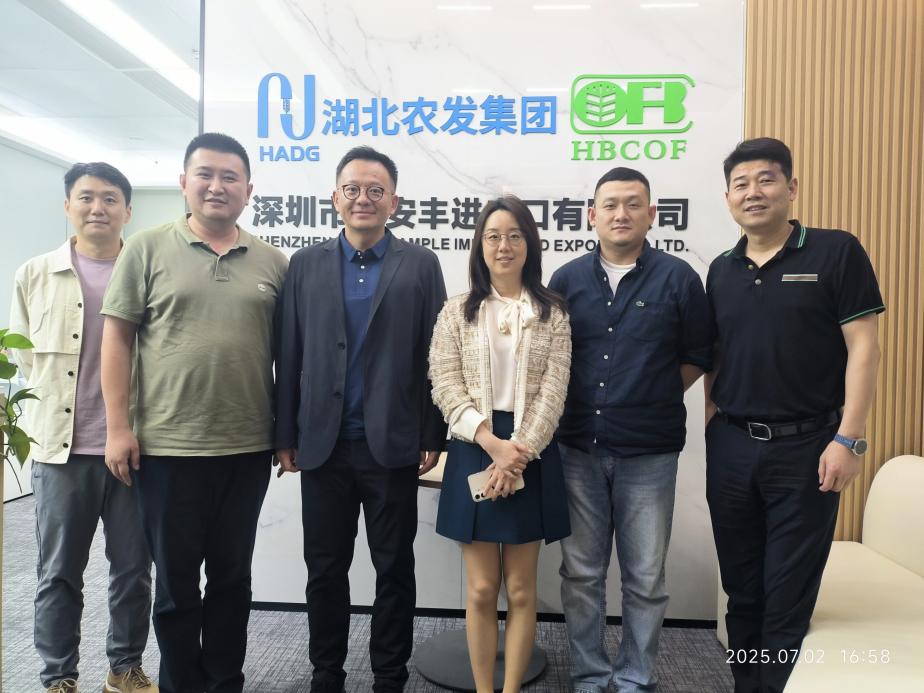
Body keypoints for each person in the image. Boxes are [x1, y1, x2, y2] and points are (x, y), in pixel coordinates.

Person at [100, 132, 288, 693]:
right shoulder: (146, 249)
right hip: (167, 449)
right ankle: (180, 684)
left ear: (249, 190)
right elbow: (117, 340)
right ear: (184, 182)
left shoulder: (273, 262)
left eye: (230, 177)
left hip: (246, 448)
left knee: (233, 579)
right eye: (205, 174)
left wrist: (287, 432)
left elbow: (289, 357)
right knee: (176, 586)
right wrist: (117, 428)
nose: (216, 186)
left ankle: (225, 682)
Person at [705, 137, 884, 693]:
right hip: (731, 445)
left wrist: (849, 439)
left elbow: (864, 347)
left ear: (792, 188)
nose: (753, 192)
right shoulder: (722, 269)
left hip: (809, 448)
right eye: (740, 184)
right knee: (742, 590)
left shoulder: (836, 251)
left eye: (766, 179)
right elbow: (717, 356)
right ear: (728, 198)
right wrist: (712, 422)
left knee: (787, 593)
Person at [274, 145, 448, 692]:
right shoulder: (305, 265)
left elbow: (436, 355)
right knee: (325, 569)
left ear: (393, 201)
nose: (363, 199)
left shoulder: (420, 265)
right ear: (335, 197)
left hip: (391, 444)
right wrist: (285, 433)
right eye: (352, 189)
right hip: (322, 446)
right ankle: (326, 673)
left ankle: (389, 675)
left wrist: (432, 432)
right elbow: (289, 353)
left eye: (376, 190)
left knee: (393, 568)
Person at [548, 167, 714, 693]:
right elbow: (550, 359)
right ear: (592, 215)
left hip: (650, 452)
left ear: (652, 214)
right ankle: (591, 674)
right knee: (581, 573)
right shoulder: (566, 280)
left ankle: (635, 676)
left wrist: (652, 391)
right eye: (611, 205)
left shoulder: (679, 279)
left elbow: (698, 355)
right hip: (577, 448)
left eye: (633, 204)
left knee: (645, 576)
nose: (621, 214)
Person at [10, 163, 157, 693]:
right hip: (61, 450)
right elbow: (25, 357)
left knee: (133, 571)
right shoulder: (35, 274)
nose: (99, 208)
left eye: (111, 198)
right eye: (87, 197)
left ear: (127, 210)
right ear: (67, 205)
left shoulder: (147, 271)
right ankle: (58, 677)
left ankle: (124, 669)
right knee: (58, 572)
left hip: (135, 448)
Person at [428, 196, 572, 693]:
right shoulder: (456, 312)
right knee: (482, 588)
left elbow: (554, 389)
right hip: (475, 444)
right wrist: (492, 443)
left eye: (514, 235)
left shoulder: (553, 312)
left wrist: (517, 453)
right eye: (493, 236)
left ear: (529, 243)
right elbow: (444, 382)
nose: (504, 245)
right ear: (480, 245)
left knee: (522, 590)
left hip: (531, 450)